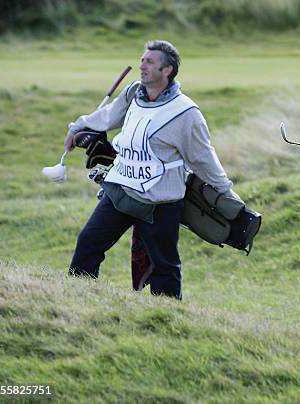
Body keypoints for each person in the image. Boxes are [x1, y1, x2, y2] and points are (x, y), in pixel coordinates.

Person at [65, 40, 233, 300]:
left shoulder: (186, 113)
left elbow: (204, 159)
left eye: (149, 61)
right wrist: (79, 126)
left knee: (165, 266)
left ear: (167, 70)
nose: (142, 65)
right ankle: (77, 301)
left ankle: (167, 319)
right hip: (120, 190)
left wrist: (226, 194)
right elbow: (109, 116)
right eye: (142, 60)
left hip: (161, 203)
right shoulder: (134, 93)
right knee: (88, 244)